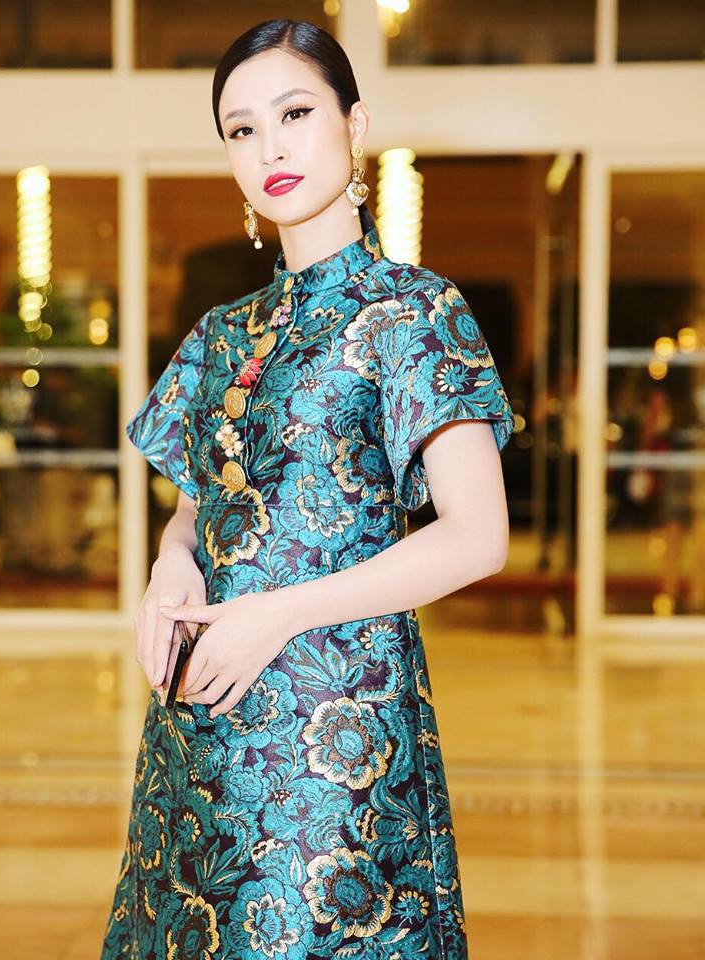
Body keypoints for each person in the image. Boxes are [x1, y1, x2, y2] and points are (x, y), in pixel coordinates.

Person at [100, 18, 514, 960]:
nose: (270, 148)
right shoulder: (221, 331)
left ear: (354, 124)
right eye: (241, 129)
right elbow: (197, 507)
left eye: (294, 114)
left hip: (339, 737)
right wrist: (171, 568)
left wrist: (277, 614)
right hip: (199, 727)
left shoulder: (413, 310)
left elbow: (478, 536)